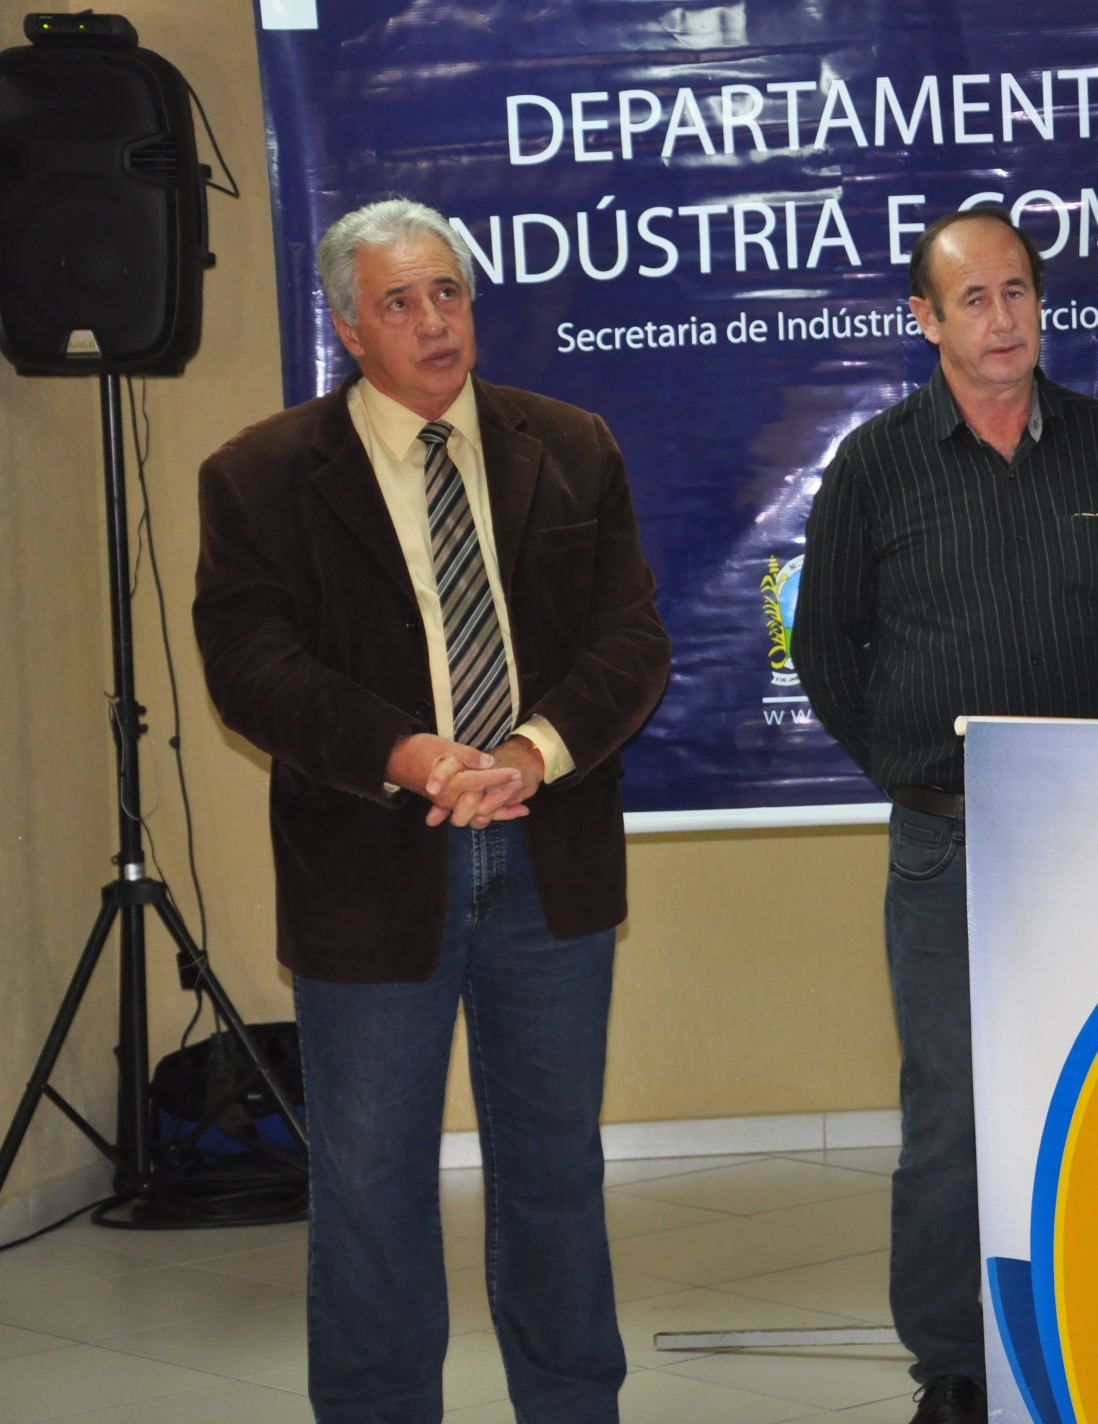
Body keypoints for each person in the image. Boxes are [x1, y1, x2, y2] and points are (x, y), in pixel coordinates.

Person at [193, 199, 671, 1424]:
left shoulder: (571, 443)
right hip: (368, 868)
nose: (432, 321)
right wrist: (407, 753)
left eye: (447, 291)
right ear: (349, 327)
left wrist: (529, 751)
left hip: (546, 855)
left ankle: (573, 1405)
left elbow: (630, 640)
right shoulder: (257, 476)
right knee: (369, 1184)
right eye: (398, 301)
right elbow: (253, 666)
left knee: (555, 1170)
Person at [791, 206, 1098, 1424]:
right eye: (973, 298)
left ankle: (1089, 1319)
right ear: (927, 320)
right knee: (952, 1112)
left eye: (1017, 291)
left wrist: (1076, 772)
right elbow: (823, 644)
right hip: (945, 837)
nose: (1002, 318)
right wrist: (907, 761)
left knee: (1094, 1083)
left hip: (1085, 837)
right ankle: (952, 1363)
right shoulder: (876, 462)